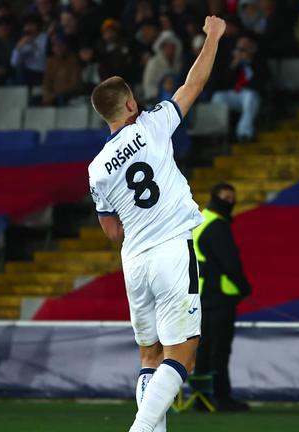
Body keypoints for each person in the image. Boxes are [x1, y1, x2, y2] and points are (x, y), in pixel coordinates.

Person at [88, 15, 226, 432]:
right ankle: (141, 428)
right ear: (130, 105)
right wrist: (213, 37)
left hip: (135, 261)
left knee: (149, 355)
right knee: (183, 354)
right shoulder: (150, 126)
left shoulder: (96, 170)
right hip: (171, 249)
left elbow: (110, 228)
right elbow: (193, 85)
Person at [193, 182, 252, 412]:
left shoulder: (200, 220)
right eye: (227, 198)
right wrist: (244, 287)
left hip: (201, 294)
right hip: (220, 296)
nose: (230, 202)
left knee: (204, 349)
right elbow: (230, 263)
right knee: (219, 350)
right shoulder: (217, 226)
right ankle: (221, 397)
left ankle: (201, 398)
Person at [210, 36, 268, 142]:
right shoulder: (232, 62)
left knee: (249, 96)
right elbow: (223, 82)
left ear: (251, 49)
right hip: (236, 94)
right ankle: (218, 134)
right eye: (239, 49)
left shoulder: (259, 61)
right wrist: (234, 64)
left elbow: (263, 82)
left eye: (244, 49)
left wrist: (250, 63)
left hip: (252, 96)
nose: (241, 52)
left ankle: (244, 133)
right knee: (217, 97)